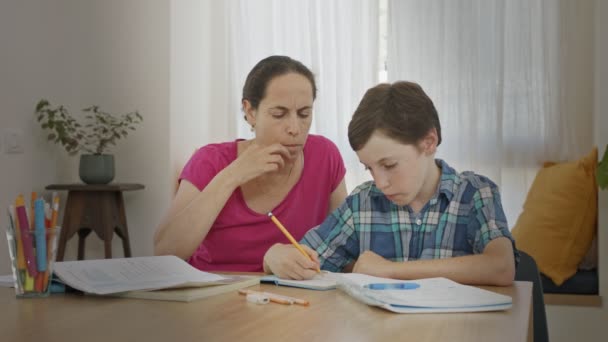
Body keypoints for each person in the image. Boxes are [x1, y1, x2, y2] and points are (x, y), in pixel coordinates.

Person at [263, 81, 518, 286]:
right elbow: (306, 258)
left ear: (428, 142)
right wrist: (274, 256)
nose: (380, 183)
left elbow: (502, 267)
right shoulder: (363, 203)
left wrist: (391, 271)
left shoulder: (475, 193)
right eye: (369, 169)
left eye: (389, 165)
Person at [154, 56, 347, 272]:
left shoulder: (325, 156)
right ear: (250, 111)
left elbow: (344, 248)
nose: (295, 128)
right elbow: (164, 252)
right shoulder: (210, 161)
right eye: (279, 114)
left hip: (293, 298)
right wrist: (231, 176)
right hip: (214, 298)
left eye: (304, 114)